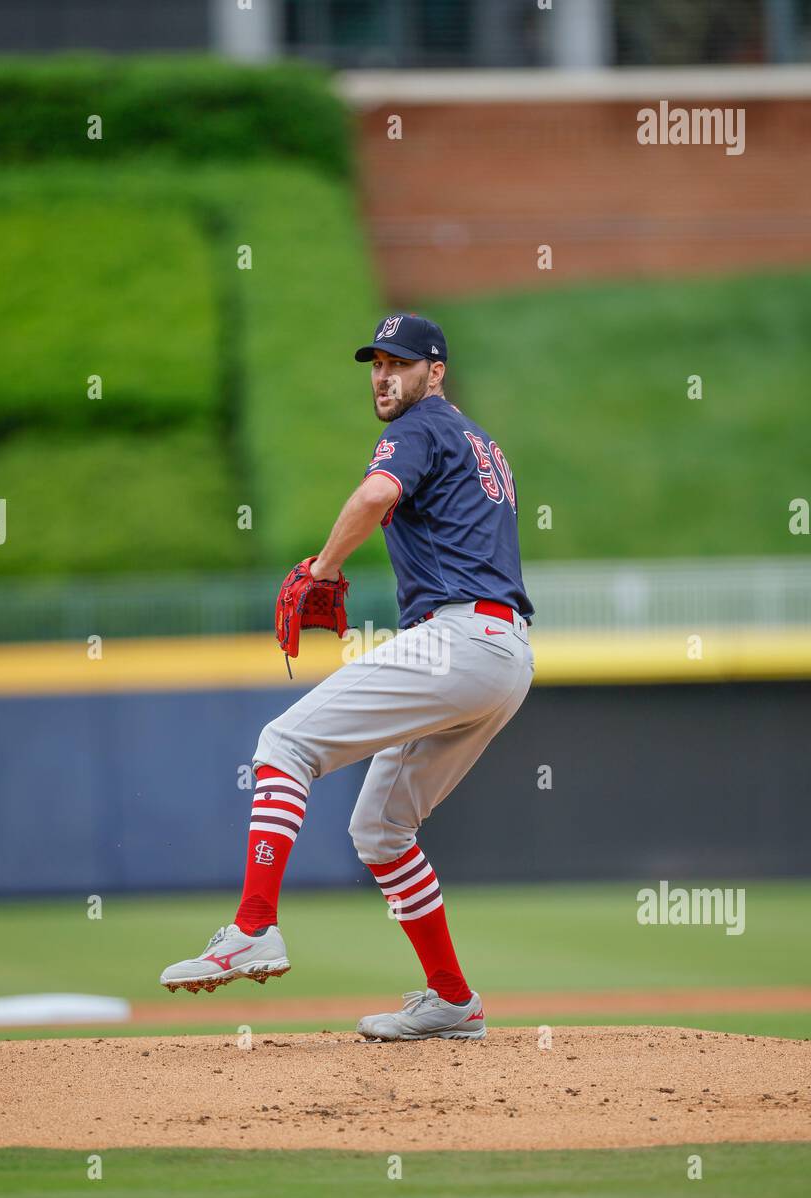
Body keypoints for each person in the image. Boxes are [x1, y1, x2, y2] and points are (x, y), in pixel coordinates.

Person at [160, 313, 535, 1041]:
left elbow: (373, 497)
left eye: (400, 362)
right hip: (503, 654)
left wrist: (320, 569)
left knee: (284, 744)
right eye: (375, 364)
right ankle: (453, 1001)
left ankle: (253, 927)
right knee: (382, 830)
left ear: (436, 371)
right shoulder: (479, 440)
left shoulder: (422, 425)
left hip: (456, 641)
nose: (384, 376)